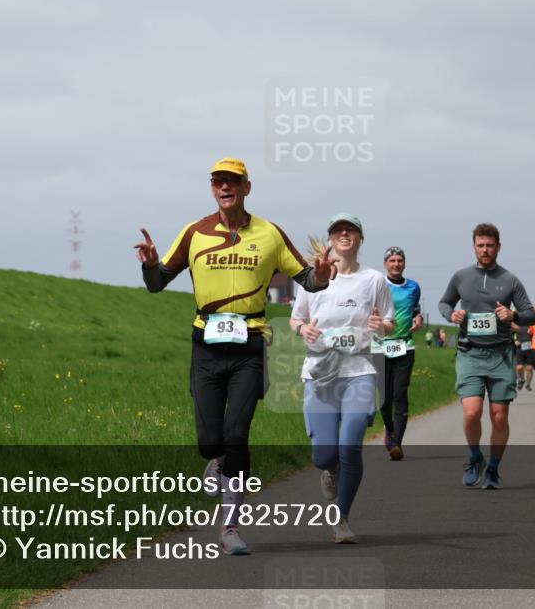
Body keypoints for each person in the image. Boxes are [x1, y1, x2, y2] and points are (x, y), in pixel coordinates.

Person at [135, 158, 336, 555]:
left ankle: (230, 527)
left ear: (247, 187)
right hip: (206, 346)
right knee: (211, 442)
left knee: (237, 435)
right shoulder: (195, 233)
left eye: (233, 181)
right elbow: (158, 284)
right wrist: (151, 265)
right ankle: (217, 459)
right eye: (218, 182)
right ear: (212, 188)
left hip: (250, 346)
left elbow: (308, 279)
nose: (225, 187)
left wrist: (324, 275)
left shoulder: (270, 233)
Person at [291, 213, 395, 543]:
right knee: (325, 455)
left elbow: (389, 322)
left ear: (360, 239)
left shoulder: (374, 280)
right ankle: (329, 469)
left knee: (350, 446)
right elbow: (296, 319)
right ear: (331, 238)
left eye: (351, 230)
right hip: (320, 374)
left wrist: (382, 327)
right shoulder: (312, 278)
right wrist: (302, 328)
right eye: (338, 230)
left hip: (358, 372)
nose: (344, 234)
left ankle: (342, 519)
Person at [438, 223, 535, 490]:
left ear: (498, 247)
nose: (485, 250)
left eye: (490, 245)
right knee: (471, 412)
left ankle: (493, 469)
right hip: (470, 352)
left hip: (501, 354)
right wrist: (451, 314)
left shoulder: (510, 280)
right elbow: (444, 302)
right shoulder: (461, 277)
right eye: (480, 245)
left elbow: (531, 314)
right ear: (474, 247)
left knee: (499, 416)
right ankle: (474, 457)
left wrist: (513, 314)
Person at [374, 246, 423, 461]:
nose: (396, 264)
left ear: (404, 263)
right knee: (384, 398)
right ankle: (389, 429)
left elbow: (415, 309)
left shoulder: (413, 287)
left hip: (405, 346)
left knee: (400, 394)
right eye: (392, 260)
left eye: (399, 260)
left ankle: (397, 444)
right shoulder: (376, 284)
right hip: (380, 346)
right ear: (385, 264)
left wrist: (418, 318)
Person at [512, 320, 534, 390]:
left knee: (529, 368)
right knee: (519, 367)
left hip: (530, 349)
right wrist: (515, 341)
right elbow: (511, 334)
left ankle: (528, 384)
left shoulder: (532, 325)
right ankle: (521, 379)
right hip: (519, 349)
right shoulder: (516, 325)